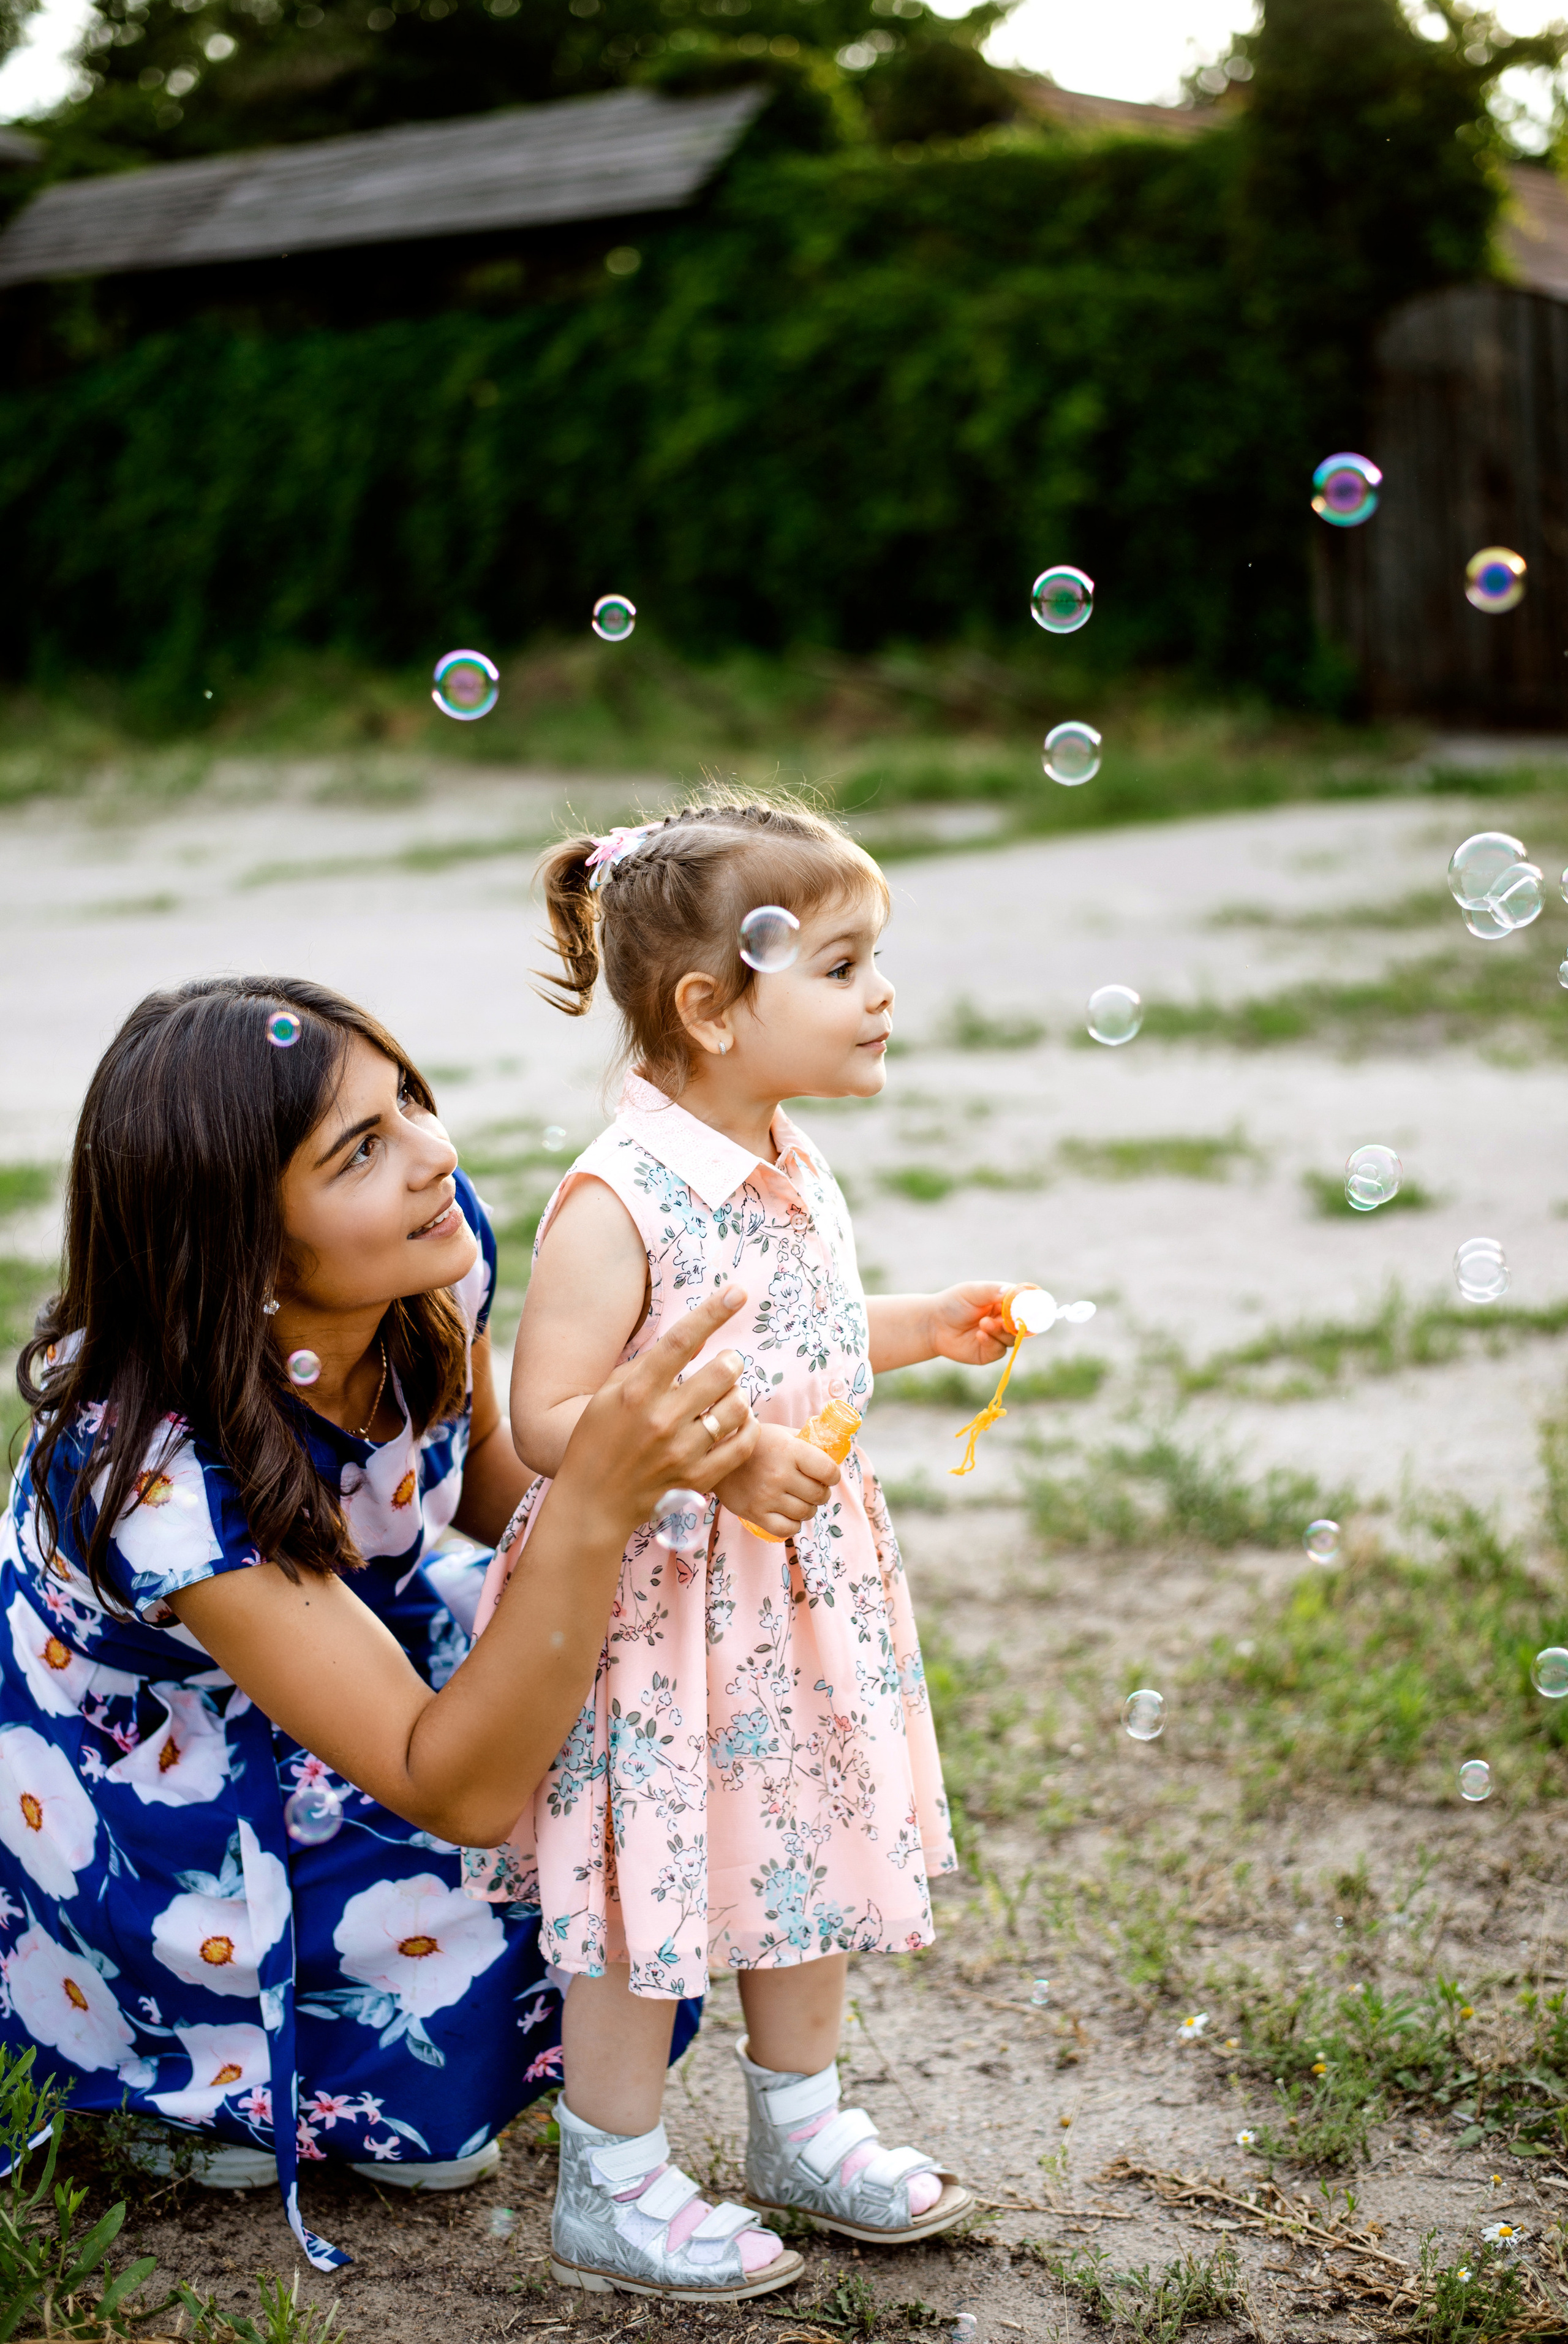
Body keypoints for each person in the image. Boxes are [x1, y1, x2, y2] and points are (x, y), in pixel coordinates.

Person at [0, 975, 758, 2273]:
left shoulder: (426, 1255)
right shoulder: (163, 1472)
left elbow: (475, 1480)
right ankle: (186, 2060)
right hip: (158, 1787)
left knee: (638, 1694)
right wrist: (596, 1518)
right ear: (239, 1245)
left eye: (410, 1099)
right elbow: (446, 1786)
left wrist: (653, 1502)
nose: (434, 1153)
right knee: (512, 1874)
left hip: (369, 1644)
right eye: (362, 1149)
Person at [465, 796, 1019, 2302]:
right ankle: (614, 2181)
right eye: (843, 967)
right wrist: (720, 1456)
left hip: (793, 1597)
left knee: (807, 1844)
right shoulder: (617, 1198)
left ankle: (801, 2124)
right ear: (710, 1009)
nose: (881, 994)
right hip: (655, 1606)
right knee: (646, 1889)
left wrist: (919, 1329)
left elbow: (807, 1338)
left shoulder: (783, 1156)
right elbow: (550, 1415)